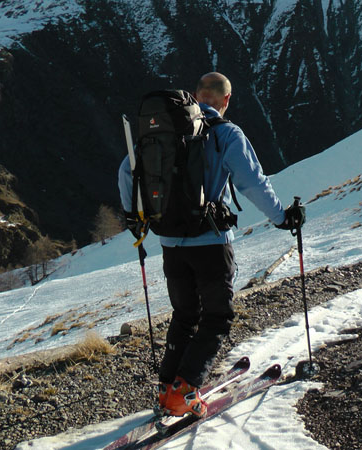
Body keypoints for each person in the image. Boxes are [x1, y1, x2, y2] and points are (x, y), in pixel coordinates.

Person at [118, 72, 304, 417]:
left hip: (170, 241)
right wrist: (282, 218)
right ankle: (185, 391)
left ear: (195, 95)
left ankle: (166, 386)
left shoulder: (163, 133)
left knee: (185, 314)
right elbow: (252, 183)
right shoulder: (226, 134)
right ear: (226, 100)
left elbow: (127, 171)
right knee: (218, 316)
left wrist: (135, 216)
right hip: (210, 242)